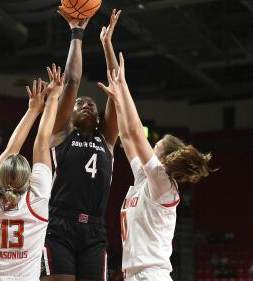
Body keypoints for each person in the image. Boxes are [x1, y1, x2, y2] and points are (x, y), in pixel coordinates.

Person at [98, 53, 213, 281]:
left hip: (151, 276)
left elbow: (136, 133)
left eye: (155, 146)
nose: (150, 147)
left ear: (163, 159)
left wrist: (123, 88)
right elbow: (128, 138)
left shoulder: (162, 183)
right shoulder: (144, 179)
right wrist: (119, 93)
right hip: (135, 275)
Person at [41, 9, 121, 281]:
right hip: (59, 226)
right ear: (70, 114)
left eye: (91, 104)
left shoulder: (106, 139)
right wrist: (77, 33)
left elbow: (117, 88)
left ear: (98, 117)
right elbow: (72, 81)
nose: (85, 104)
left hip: (94, 232)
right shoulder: (61, 133)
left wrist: (107, 44)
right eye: (79, 103)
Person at [0, 65, 63, 280]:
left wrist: (33, 109)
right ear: (28, 180)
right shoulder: (37, 200)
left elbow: (10, 150)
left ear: (0, 177)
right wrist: (52, 100)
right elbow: (42, 144)